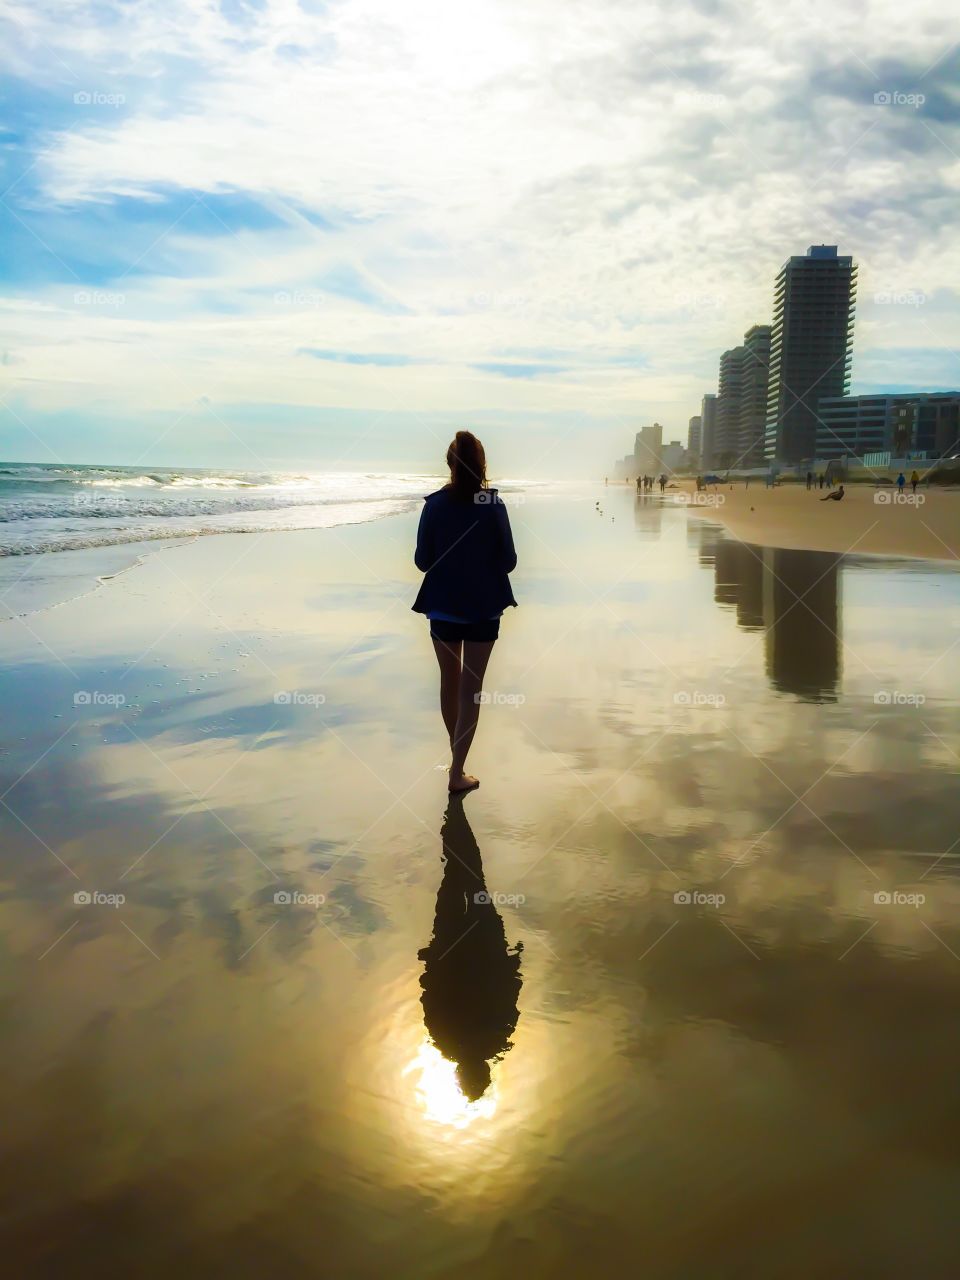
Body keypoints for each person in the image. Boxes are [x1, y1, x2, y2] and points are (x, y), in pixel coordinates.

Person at [413, 431, 517, 793]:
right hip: (484, 607)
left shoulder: (435, 505)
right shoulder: (492, 504)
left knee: (449, 682)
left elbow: (422, 561)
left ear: (449, 464)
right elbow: (509, 561)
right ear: (482, 465)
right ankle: (457, 770)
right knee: (471, 690)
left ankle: (457, 766)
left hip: (443, 605)